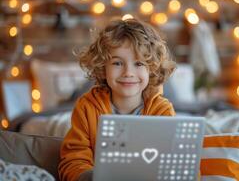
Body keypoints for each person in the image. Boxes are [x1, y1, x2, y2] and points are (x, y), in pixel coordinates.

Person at [58, 18, 176, 181]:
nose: (128, 72)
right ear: (102, 66)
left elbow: (174, 161)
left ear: (152, 69)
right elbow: (74, 159)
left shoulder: (162, 110)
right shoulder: (87, 107)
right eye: (117, 63)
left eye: (139, 64)